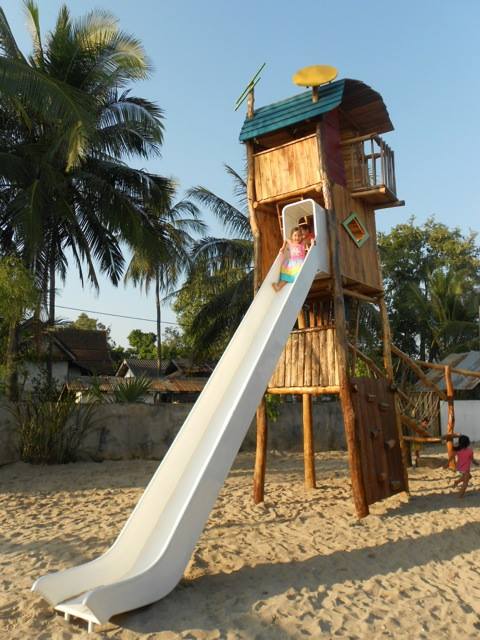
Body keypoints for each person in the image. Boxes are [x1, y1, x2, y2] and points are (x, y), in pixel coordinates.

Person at [272, 226, 305, 292]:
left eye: (299, 236)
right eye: (295, 235)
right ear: (292, 236)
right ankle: (278, 287)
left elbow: (309, 239)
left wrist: (312, 241)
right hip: (292, 263)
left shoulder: (302, 244)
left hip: (300, 263)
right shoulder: (291, 243)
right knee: (286, 276)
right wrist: (283, 247)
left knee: (294, 274)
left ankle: (296, 284)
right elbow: (286, 239)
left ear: (301, 237)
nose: (297, 237)